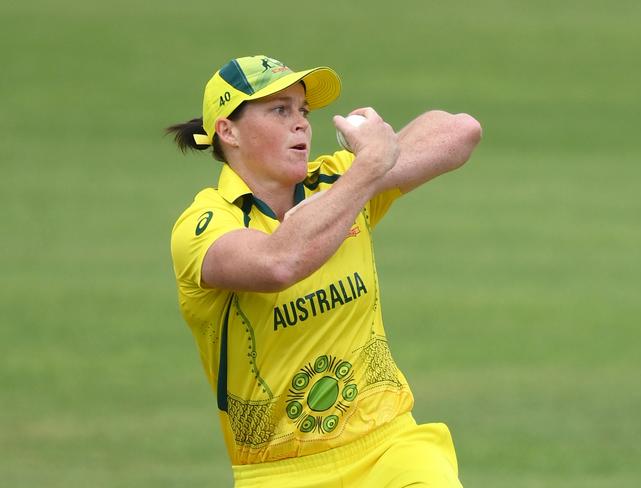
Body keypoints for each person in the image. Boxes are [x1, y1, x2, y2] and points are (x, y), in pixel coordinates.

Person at [168, 54, 482, 487]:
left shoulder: (337, 180)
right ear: (228, 130)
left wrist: (376, 153)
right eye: (279, 110)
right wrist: (369, 169)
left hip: (389, 448)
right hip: (279, 471)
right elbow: (279, 262)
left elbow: (460, 131)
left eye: (303, 111)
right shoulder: (205, 225)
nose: (300, 123)